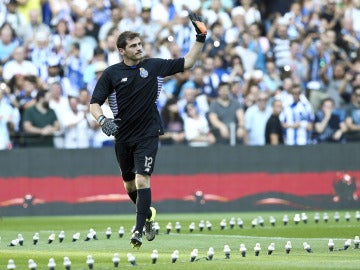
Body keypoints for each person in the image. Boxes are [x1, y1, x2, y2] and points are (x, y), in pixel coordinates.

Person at [89, 12, 207, 248]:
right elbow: (94, 104)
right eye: (133, 45)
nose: (139, 48)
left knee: (143, 179)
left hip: (148, 133)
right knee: (129, 185)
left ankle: (138, 229)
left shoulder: (154, 66)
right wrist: (103, 120)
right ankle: (148, 216)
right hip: (123, 136)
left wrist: (201, 37)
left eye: (140, 44)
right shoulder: (112, 73)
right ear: (122, 50)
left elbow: (188, 62)